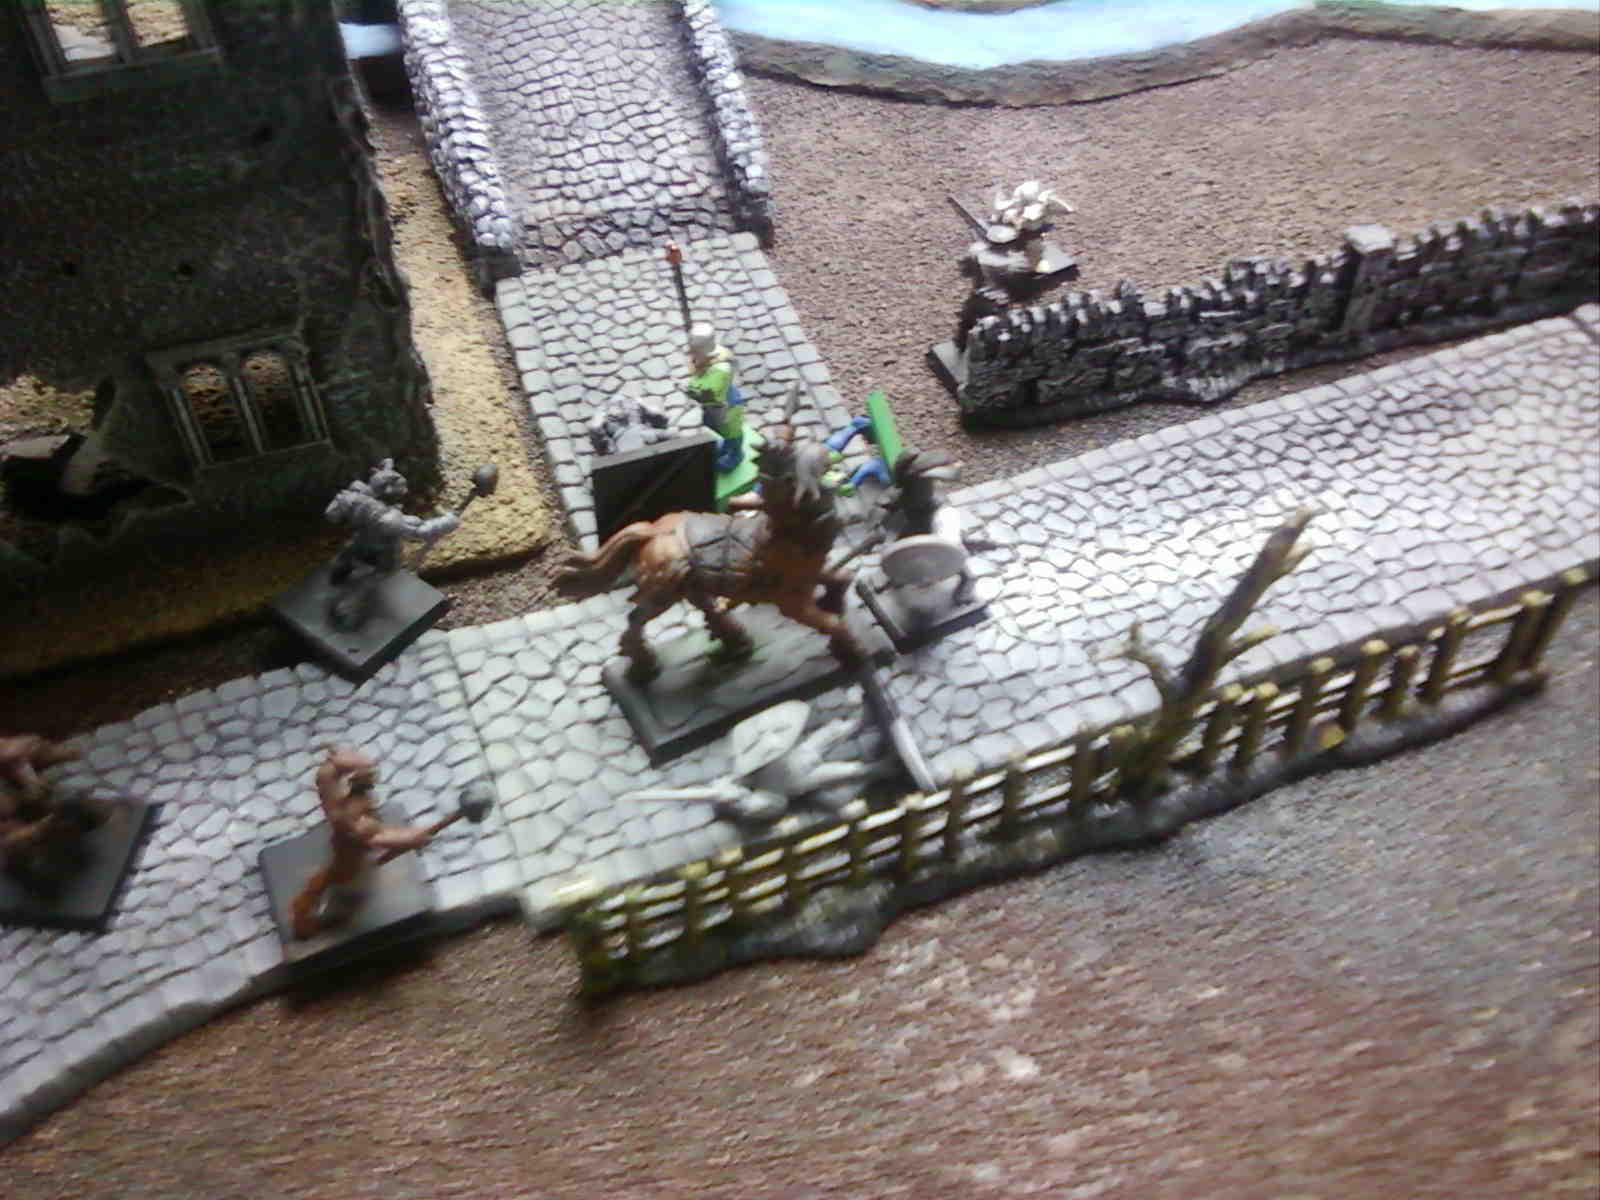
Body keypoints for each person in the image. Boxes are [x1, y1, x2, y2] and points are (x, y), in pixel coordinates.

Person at [288, 747, 436, 939]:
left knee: (337, 878)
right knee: (351, 894)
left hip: (350, 857)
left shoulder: (344, 803)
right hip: (354, 868)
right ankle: (328, 921)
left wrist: (339, 764)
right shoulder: (351, 818)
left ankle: (321, 905)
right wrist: (411, 838)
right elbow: (378, 838)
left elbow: (328, 777)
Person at [323, 459, 460, 629]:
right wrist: (447, 522)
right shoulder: (391, 520)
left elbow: (331, 514)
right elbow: (421, 532)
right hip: (384, 552)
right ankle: (347, 605)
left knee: (348, 554)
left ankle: (339, 571)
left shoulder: (355, 496)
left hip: (361, 540)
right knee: (380, 574)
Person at [685, 323, 745, 473]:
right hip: (712, 406)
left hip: (726, 406)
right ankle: (725, 447)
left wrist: (691, 391)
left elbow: (709, 393)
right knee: (717, 428)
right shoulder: (702, 359)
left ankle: (735, 455)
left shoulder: (721, 368)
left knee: (732, 433)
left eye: (696, 350)